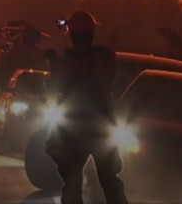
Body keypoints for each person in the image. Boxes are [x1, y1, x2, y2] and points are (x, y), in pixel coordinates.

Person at [45, 10, 128, 204]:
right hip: (101, 126)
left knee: (73, 181)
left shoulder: (70, 60)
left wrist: (54, 62)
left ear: (72, 35)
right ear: (92, 32)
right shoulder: (105, 57)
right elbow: (111, 83)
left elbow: (59, 85)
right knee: (109, 179)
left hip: (75, 128)